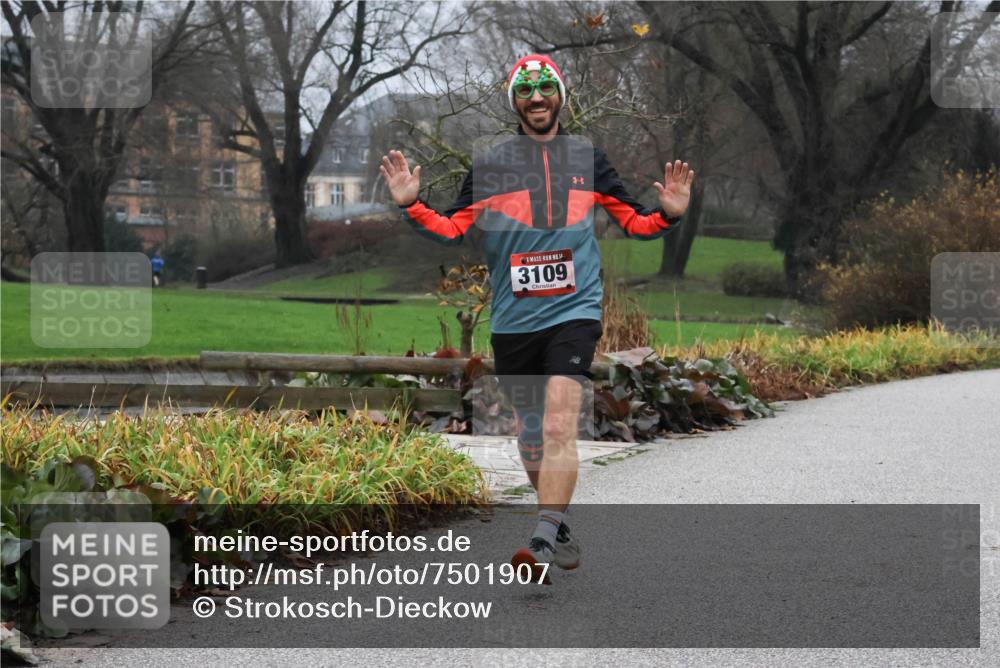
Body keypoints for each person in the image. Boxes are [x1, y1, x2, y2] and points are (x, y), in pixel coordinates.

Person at [380, 54, 694, 583]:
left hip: (574, 313)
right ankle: (559, 525)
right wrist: (412, 205)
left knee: (557, 424)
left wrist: (671, 214)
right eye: (526, 91)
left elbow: (637, 224)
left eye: (546, 87)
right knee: (530, 440)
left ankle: (541, 539)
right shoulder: (491, 165)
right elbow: (453, 228)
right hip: (514, 321)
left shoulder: (589, 160)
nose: (537, 97)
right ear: (515, 102)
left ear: (560, 96)